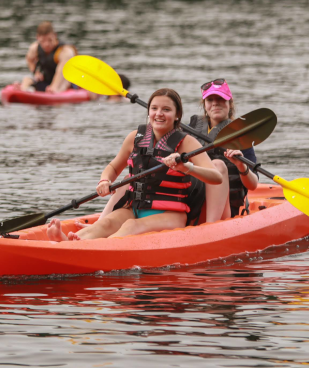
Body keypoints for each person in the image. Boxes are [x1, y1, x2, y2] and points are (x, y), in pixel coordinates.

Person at [46, 88, 223, 241]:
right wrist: (104, 180)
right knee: (106, 222)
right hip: (135, 207)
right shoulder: (135, 137)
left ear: (177, 115)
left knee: (130, 226)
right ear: (149, 112)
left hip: (169, 215)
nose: (159, 113)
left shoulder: (187, 143)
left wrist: (187, 167)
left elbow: (216, 177)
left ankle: (85, 247)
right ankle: (69, 242)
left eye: (166, 109)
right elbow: (114, 167)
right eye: (154, 108)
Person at [186, 78, 259, 223]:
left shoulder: (240, 135)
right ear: (204, 105)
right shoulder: (190, 129)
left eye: (220, 99)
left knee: (218, 164)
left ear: (229, 103)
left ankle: (211, 228)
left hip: (226, 207)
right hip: (194, 201)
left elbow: (253, 185)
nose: (215, 103)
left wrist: (240, 165)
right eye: (210, 99)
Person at [18, 21, 77, 93]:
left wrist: (53, 87)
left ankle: (54, 91)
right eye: (43, 41)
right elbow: (29, 59)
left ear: (55, 36)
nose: (47, 44)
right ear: (38, 37)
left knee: (64, 83)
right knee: (26, 80)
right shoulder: (35, 48)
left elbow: (61, 72)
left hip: (63, 82)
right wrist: (35, 72)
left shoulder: (65, 51)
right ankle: (24, 90)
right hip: (46, 80)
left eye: (50, 40)